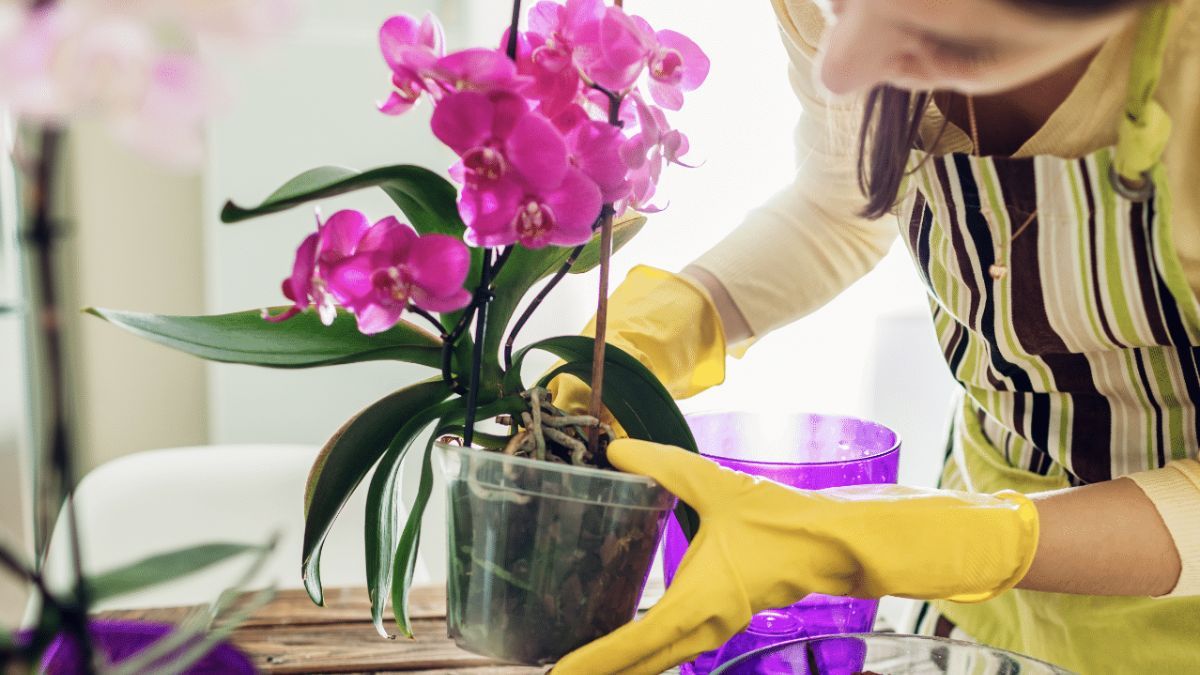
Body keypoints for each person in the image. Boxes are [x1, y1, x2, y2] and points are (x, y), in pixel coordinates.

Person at [550, 0, 1200, 672]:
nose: (839, 66)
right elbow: (842, 200)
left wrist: (957, 540)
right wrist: (660, 330)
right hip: (978, 609)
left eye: (939, 40)